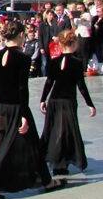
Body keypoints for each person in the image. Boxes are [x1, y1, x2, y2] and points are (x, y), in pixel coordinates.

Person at [0, 20, 66, 199]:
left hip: (0, 107)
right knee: (33, 143)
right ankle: (47, 182)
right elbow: (22, 88)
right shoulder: (22, 57)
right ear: (19, 35)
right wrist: (24, 114)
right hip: (16, 107)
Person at [40, 30, 96, 175]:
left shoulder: (54, 61)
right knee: (65, 131)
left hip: (54, 99)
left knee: (53, 129)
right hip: (68, 100)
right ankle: (61, 162)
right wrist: (90, 103)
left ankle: (54, 159)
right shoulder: (76, 63)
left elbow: (49, 83)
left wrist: (43, 99)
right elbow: (81, 85)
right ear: (75, 43)